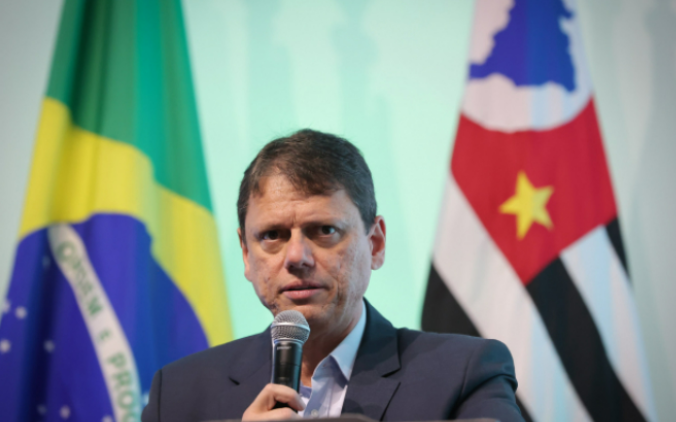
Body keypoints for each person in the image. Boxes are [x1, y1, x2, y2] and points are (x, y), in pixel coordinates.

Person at [141, 129, 524, 422]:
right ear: (246, 254)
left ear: (375, 244)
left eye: (324, 231)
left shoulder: (465, 374)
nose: (296, 257)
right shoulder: (177, 395)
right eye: (272, 235)